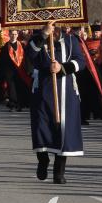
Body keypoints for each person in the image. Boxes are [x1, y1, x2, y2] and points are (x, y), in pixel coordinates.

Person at [28, 25, 85, 184]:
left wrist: (62, 67)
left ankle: (59, 172)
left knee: (64, 132)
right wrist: (43, 35)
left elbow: (81, 62)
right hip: (43, 90)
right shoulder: (36, 39)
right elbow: (31, 54)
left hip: (66, 90)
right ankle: (43, 160)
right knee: (41, 128)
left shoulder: (71, 40)